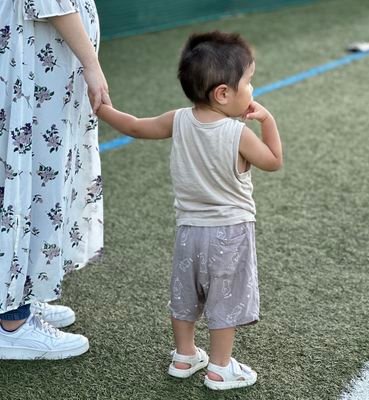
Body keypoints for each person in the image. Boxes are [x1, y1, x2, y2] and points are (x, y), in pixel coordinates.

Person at [95, 31, 282, 390]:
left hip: (188, 231)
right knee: (223, 299)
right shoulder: (237, 133)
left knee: (185, 295)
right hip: (230, 232)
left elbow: (134, 126)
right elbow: (273, 161)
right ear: (223, 93)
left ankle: (184, 356)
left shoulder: (178, 119)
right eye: (249, 82)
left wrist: (103, 108)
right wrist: (268, 122)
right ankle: (220, 367)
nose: (253, 90)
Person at [0, 0, 110, 359]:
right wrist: (91, 64)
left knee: (32, 179)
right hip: (31, 63)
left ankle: (18, 295)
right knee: (27, 179)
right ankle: (11, 321)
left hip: (37, 61)